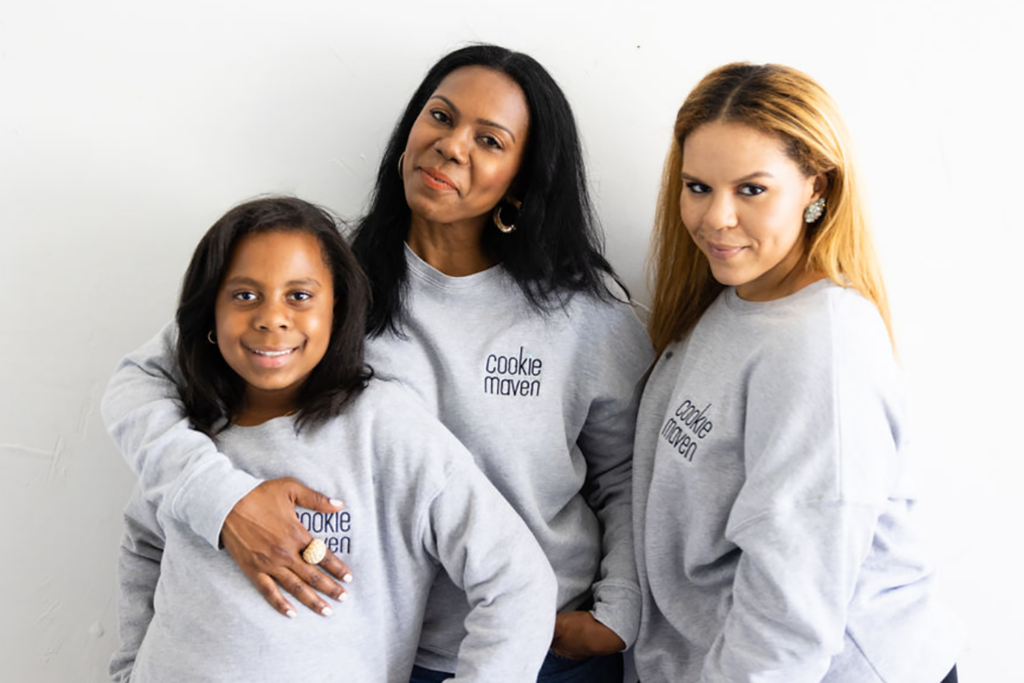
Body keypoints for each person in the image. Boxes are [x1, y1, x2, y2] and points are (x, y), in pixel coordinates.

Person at [101, 45, 654, 682]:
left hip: (545, 648)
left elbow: (628, 477)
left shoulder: (585, 320)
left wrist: (620, 610)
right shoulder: (316, 284)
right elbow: (142, 382)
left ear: (525, 182)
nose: (452, 146)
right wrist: (224, 502)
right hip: (382, 649)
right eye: (440, 117)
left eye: (490, 140)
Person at [108, 197, 557, 682]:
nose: (271, 318)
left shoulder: (383, 427)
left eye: (299, 296)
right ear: (209, 313)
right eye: (243, 295)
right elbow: (144, 546)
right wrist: (129, 670)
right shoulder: (189, 436)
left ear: (337, 307)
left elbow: (519, 582)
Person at [632, 62, 963, 683]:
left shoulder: (822, 349)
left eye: (752, 190)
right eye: (697, 186)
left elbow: (791, 617)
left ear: (816, 186)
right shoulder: (735, 302)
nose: (715, 218)